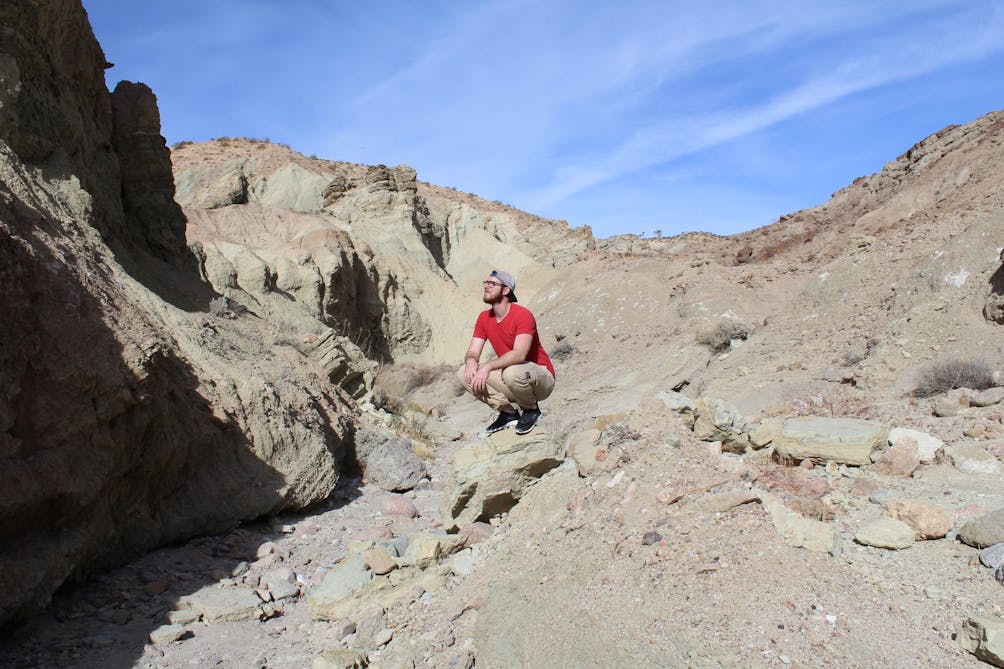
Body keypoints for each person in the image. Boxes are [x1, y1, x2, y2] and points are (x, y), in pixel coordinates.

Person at [457, 270, 555, 435]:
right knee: (463, 373)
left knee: (511, 372)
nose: (486, 286)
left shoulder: (523, 315)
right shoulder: (484, 318)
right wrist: (471, 361)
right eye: (486, 283)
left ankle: (531, 410)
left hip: (540, 379)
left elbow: (519, 354)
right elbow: (473, 351)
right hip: (512, 381)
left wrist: (487, 367)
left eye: (492, 284)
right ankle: (508, 413)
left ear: (506, 290)